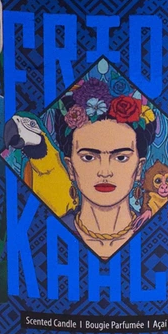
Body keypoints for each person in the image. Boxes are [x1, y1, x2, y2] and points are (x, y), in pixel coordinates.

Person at [54, 82, 156, 260]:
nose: (105, 172)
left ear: (139, 167)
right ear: (70, 167)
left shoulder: (154, 233)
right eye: (88, 157)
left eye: (121, 157)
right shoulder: (54, 232)